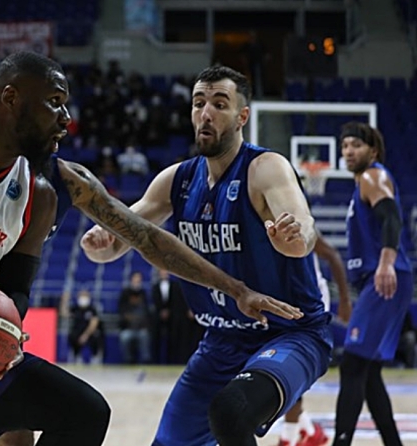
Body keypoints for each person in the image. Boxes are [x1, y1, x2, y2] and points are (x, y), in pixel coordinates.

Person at [0, 53, 301, 446]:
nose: (67, 119)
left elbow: (136, 242)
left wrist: (3, 334)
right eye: (54, 103)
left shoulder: (45, 191)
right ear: (11, 99)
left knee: (82, 413)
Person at [81, 65, 332, 446]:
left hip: (290, 334)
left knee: (231, 412)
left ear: (242, 116)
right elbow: (118, 242)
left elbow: (303, 230)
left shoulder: (266, 168)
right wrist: (99, 243)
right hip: (221, 340)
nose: (206, 113)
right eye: (199, 103)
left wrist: (292, 238)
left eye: (219, 103)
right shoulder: (177, 180)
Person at [332, 121, 414, 446]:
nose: (349, 151)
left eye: (356, 145)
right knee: (368, 370)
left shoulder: (372, 177)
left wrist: (386, 262)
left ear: (373, 151)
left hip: (386, 277)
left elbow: (392, 217)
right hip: (383, 278)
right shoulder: (363, 184)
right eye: (345, 146)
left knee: (352, 363)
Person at [278, 233, 351, 446]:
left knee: (289, 363)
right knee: (278, 364)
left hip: (309, 302)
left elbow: (333, 255)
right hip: (283, 299)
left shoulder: (297, 224)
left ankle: (289, 437)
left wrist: (344, 300)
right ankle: (309, 431)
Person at [61, 289, 104, 364]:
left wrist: (85, 335)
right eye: (81, 296)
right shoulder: (76, 308)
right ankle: (76, 356)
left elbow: (94, 323)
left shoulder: (92, 309)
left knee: (96, 336)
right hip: (78, 331)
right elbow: (64, 313)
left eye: (85, 296)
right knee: (72, 336)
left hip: (89, 332)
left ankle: (95, 356)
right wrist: (64, 301)